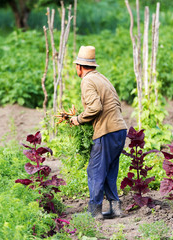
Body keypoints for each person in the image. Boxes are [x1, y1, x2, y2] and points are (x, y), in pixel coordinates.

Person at [70, 46, 127, 219]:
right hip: (120, 130)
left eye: (76, 66)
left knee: (95, 171)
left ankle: (94, 211)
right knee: (109, 170)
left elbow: (96, 107)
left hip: (106, 132)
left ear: (80, 66)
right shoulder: (102, 78)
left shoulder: (87, 81)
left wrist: (78, 119)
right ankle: (115, 208)